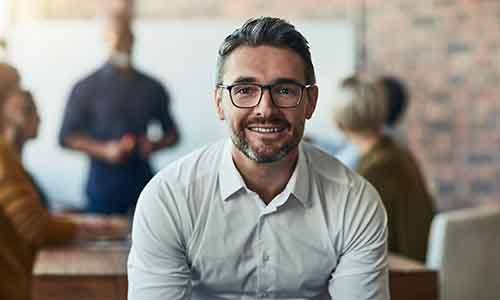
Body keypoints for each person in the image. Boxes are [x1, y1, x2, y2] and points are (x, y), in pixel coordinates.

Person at [128, 17, 389, 299]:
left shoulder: (354, 201)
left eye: (285, 90)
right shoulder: (170, 197)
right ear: (219, 103)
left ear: (310, 102)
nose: (265, 108)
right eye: (244, 90)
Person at [0, 88, 129, 300]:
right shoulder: (3, 158)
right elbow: (35, 227)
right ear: (13, 112)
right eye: (33, 110)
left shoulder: (11, 158)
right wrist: (102, 228)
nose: (40, 118)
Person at [59, 16, 179, 215]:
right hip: (102, 189)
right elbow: (66, 137)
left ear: (133, 40)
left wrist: (153, 144)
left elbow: (173, 134)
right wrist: (104, 150)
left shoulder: (152, 87)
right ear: (105, 39)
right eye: (116, 36)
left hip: (144, 186)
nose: (122, 42)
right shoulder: (85, 87)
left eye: (127, 36)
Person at [332, 79, 434, 262]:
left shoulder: (373, 172)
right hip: (419, 267)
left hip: (397, 274)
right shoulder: (401, 155)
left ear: (339, 123)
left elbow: (356, 244)